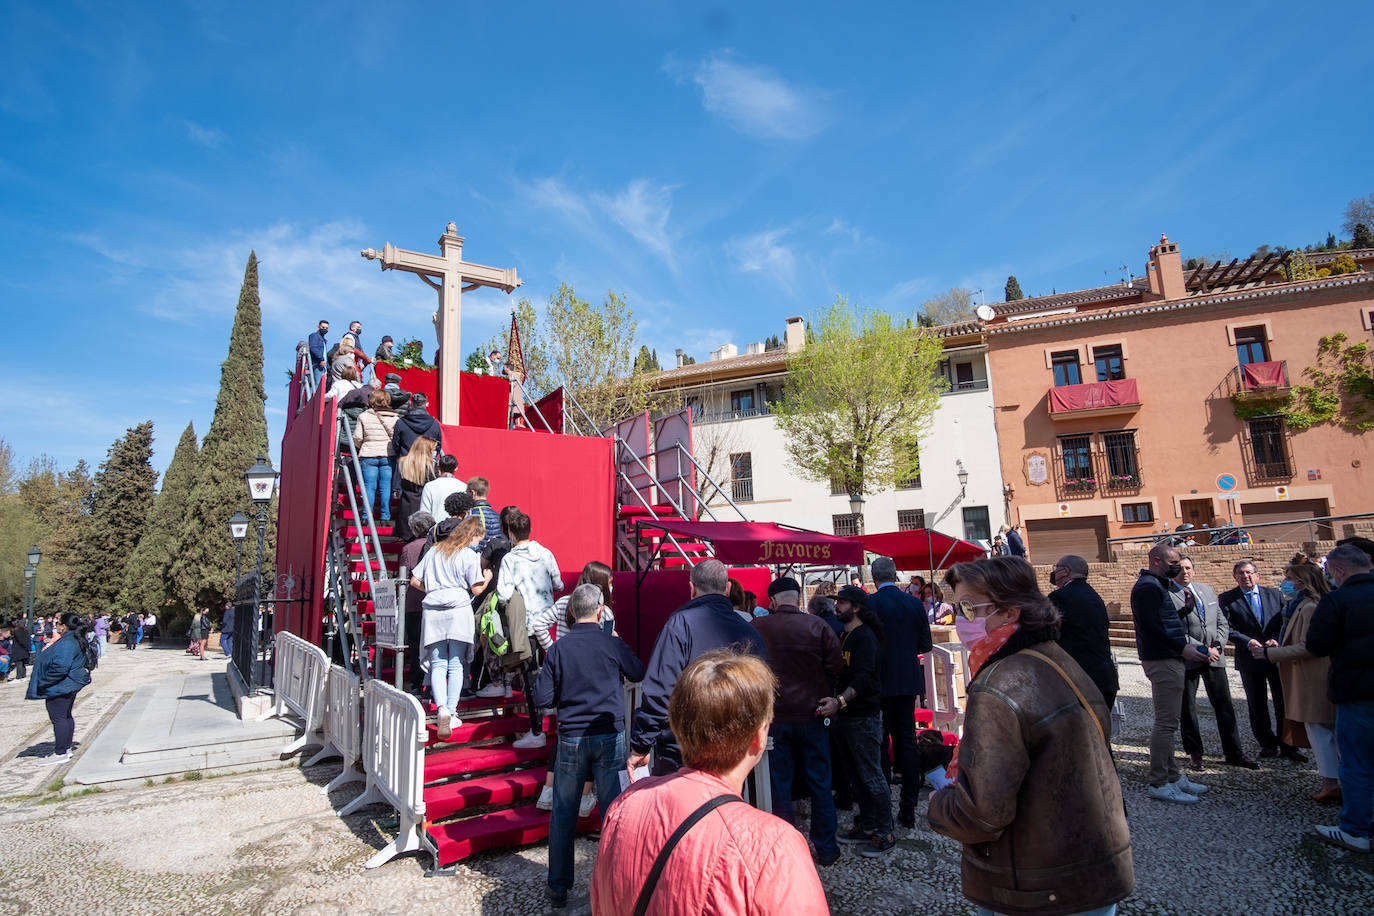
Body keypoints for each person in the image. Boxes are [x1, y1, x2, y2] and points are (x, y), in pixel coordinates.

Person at [928, 557, 1134, 916]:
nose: (960, 621)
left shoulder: (998, 683)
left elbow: (982, 812)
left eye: (967, 608)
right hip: (1088, 863)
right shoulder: (1055, 656)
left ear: (1009, 613)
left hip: (1037, 883)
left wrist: (937, 804)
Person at [591, 649, 829, 916]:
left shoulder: (624, 805)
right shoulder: (774, 846)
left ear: (678, 726)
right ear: (759, 737)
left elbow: (601, 902)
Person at [535, 583, 645, 909]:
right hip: (610, 732)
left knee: (564, 813)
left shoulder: (559, 649)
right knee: (613, 811)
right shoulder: (611, 643)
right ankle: (617, 881)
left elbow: (542, 697)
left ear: (570, 612)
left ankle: (558, 887)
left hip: (571, 735)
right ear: (600, 611)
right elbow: (637, 671)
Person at [628, 558, 767, 777]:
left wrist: (641, 744)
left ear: (691, 588)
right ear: (728, 588)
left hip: (685, 751)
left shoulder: (679, 625)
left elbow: (660, 693)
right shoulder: (750, 631)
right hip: (734, 751)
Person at [752, 576, 843, 866]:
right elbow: (837, 666)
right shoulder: (818, 626)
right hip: (813, 714)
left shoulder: (758, 627)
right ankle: (826, 847)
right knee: (820, 782)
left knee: (780, 783)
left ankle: (787, 849)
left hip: (776, 716)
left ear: (774, 601)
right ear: (798, 598)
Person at [532, 561, 618, 814]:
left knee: (564, 733)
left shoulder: (564, 603)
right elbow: (609, 646)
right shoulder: (605, 613)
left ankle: (548, 791)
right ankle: (584, 795)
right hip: (593, 677)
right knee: (591, 733)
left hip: (564, 673)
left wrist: (552, 650)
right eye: (609, 583)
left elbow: (539, 625)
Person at [1306, 544, 1374, 852]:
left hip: (1357, 691)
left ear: (1339, 571)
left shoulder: (1336, 600)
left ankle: (1355, 830)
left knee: (1356, 763)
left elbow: (1317, 645)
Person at [816, 584, 892, 857]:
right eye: (837, 602)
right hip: (847, 718)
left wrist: (840, 702)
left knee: (872, 776)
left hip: (863, 717)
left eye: (843, 603)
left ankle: (885, 831)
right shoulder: (845, 635)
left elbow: (864, 677)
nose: (837, 606)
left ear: (856, 607)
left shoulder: (865, 638)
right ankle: (867, 824)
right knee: (857, 777)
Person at [1131, 543, 1211, 803]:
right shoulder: (1148, 587)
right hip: (1163, 659)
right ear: (1156, 561)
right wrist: (1182, 647)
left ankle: (1173, 775)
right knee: (1166, 723)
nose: (1176, 566)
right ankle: (1159, 781)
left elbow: (1161, 620)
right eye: (1172, 561)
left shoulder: (1154, 586)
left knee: (1169, 721)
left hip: (1167, 657)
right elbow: (1152, 626)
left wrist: (1184, 611)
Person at [1257, 561, 1338, 801]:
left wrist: (1271, 654)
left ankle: (1331, 783)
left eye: (1289, 577)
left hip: (1312, 678)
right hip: (1308, 676)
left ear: (1302, 582)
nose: (1285, 582)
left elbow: (1308, 647)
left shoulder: (1309, 607)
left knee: (1321, 733)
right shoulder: (1300, 605)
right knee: (1322, 731)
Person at [1173, 557, 1257, 770]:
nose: (1185, 572)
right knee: (1188, 709)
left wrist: (1217, 647)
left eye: (1188, 568)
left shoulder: (1207, 590)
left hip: (1214, 657)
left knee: (1224, 706)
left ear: (1194, 569)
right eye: (1181, 568)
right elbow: (1173, 628)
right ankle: (1195, 754)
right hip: (1189, 657)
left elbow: (1221, 622)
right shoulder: (1167, 595)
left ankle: (1234, 752)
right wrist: (1200, 649)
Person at [411, 515, 490, 741]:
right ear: (470, 536)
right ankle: (452, 711)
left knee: (437, 663)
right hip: (458, 609)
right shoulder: (468, 555)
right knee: (456, 663)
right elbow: (476, 589)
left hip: (434, 609)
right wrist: (487, 578)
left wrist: (435, 590)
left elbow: (415, 581)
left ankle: (442, 707)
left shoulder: (435, 551)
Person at [868, 555, 932, 830]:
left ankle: (883, 808)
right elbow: (925, 643)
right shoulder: (914, 603)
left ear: (874, 578)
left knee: (881, 741)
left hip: (879, 680)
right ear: (895, 575)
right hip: (906, 678)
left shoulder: (870, 604)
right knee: (906, 741)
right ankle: (909, 807)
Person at [1220, 560, 1301, 760]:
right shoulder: (1227, 598)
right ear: (1235, 577)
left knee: (1283, 701)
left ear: (1257, 575)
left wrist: (1277, 638)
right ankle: (1267, 744)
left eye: (1248, 572)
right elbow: (1227, 627)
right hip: (1250, 657)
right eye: (1240, 573)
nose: (1245, 576)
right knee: (1257, 704)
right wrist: (1247, 641)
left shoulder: (1274, 594)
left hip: (1276, 655)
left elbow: (1285, 620)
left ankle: (1288, 744)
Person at [496, 510, 564, 749]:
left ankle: (536, 730)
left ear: (511, 533)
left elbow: (503, 594)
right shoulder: (545, 553)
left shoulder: (510, 559)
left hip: (527, 623)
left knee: (530, 674)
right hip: (548, 618)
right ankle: (552, 713)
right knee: (553, 668)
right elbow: (558, 583)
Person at [26, 612, 97, 766]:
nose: (56, 626)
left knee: (59, 717)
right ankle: (65, 747)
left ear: (64, 626)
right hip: (67, 683)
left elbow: (61, 666)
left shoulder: (68, 642)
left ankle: (61, 751)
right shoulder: (72, 639)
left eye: (58, 623)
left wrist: (44, 681)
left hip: (61, 685)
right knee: (65, 716)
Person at [1049, 555, 1119, 709]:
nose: (1054, 573)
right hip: (1104, 676)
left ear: (1066, 571)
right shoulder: (1094, 596)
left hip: (1078, 680)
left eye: (1057, 568)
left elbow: (1045, 632)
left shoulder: (1060, 597)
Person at [398, 510, 436, 694]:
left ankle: (417, 682)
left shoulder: (408, 549)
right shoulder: (439, 545)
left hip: (414, 601)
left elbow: (403, 576)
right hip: (434, 600)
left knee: (415, 645)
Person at [352, 389, 399, 525]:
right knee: (386, 487)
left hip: (369, 454)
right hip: (387, 454)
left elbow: (357, 437)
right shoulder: (395, 418)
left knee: (369, 487)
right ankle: (385, 517)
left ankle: (366, 516)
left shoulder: (363, 416)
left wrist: (363, 445)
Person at [393, 435, 437, 542]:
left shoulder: (403, 462)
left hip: (406, 504)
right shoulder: (432, 466)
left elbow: (397, 483)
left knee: (406, 542)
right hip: (424, 504)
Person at [391, 392, 442, 459]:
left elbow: (396, 445)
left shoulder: (401, 422)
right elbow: (438, 446)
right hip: (426, 462)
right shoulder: (434, 424)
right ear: (426, 404)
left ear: (411, 403)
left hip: (406, 461)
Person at [419, 454, 466, 523]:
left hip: (435, 530)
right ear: (456, 469)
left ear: (438, 467)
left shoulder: (429, 486)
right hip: (457, 530)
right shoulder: (464, 487)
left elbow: (424, 514)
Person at [467, 476, 502, 549]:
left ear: (473, 493)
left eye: (467, 492)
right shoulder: (498, 516)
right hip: (495, 558)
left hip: (478, 557)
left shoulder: (471, 515)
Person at [307, 319, 329, 386]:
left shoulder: (323, 340)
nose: (324, 329)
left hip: (323, 365)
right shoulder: (314, 336)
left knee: (321, 384)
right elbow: (313, 348)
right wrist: (321, 359)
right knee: (317, 384)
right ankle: (312, 396)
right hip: (317, 363)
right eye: (323, 327)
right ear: (318, 327)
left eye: (326, 328)